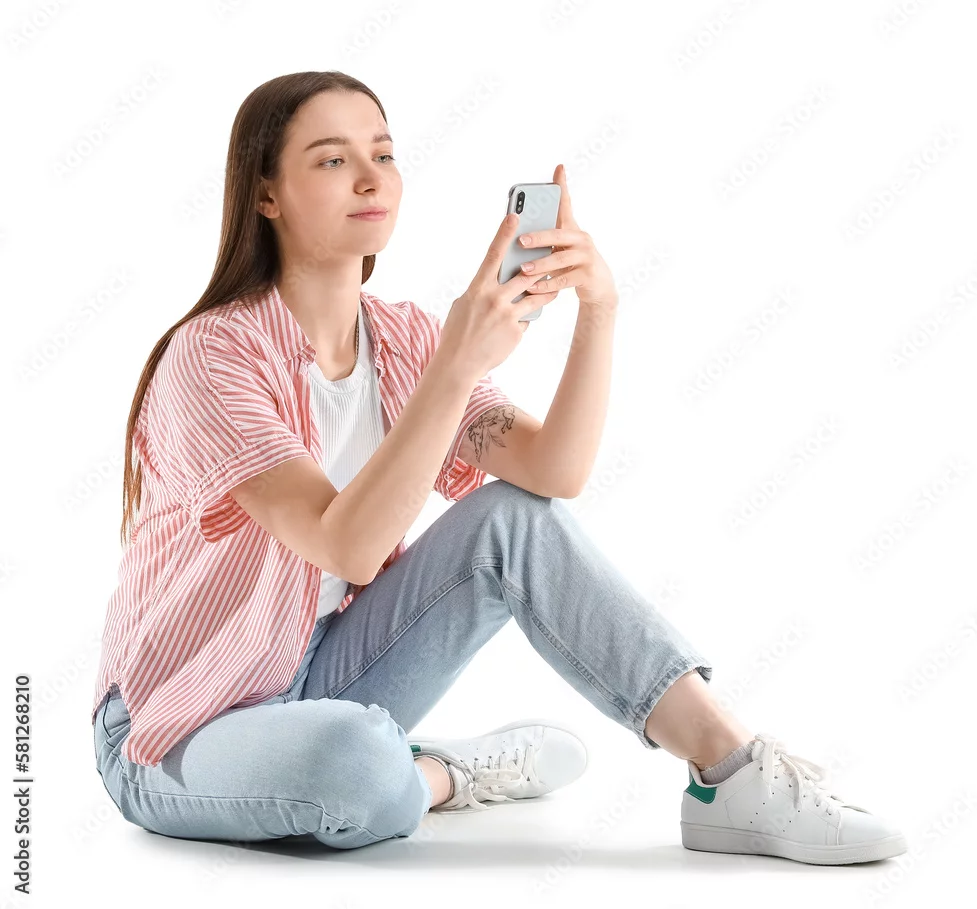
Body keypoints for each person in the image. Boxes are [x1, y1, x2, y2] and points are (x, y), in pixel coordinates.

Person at [92, 70, 906, 864]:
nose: (371, 177)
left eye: (384, 153)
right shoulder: (212, 357)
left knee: (512, 520)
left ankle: (729, 772)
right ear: (266, 194)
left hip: (325, 667)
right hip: (181, 721)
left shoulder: (403, 339)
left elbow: (554, 472)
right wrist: (456, 363)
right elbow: (346, 548)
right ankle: (441, 771)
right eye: (333, 159)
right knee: (353, 764)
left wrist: (598, 309)